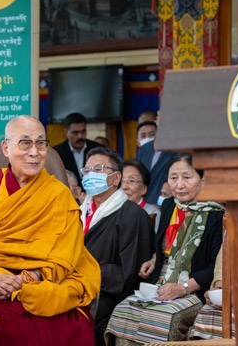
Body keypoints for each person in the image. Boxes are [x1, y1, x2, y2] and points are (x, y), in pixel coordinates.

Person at [0, 115, 100, 345]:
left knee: (64, 326)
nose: (34, 152)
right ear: (6, 147)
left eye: (41, 143)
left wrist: (25, 279)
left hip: (36, 284)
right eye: (25, 143)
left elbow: (65, 257)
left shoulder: (59, 194)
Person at [105, 155, 225, 344]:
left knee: (164, 317)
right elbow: (163, 245)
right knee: (123, 310)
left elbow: (213, 266)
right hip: (161, 280)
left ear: (202, 180)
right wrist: (154, 259)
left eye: (187, 177)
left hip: (193, 286)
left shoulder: (217, 215)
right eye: (173, 178)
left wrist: (182, 288)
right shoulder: (169, 205)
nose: (179, 185)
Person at [80, 148, 154, 345]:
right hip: (75, 285)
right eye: (86, 171)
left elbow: (129, 274)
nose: (90, 175)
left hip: (107, 294)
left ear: (116, 177)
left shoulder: (132, 215)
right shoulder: (77, 212)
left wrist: (85, 274)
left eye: (98, 169)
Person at [137, 120, 178, 209]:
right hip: (142, 202)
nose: (147, 137)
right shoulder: (144, 149)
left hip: (163, 201)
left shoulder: (176, 149)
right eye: (143, 135)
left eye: (151, 134)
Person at [53, 112, 102, 181]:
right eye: (75, 133)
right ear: (66, 132)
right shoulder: (57, 153)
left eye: (83, 132)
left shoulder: (98, 149)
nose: (80, 136)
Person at [122, 159, 161, 231]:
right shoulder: (110, 209)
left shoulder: (152, 213)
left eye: (132, 180)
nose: (124, 187)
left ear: (144, 189)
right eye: (122, 180)